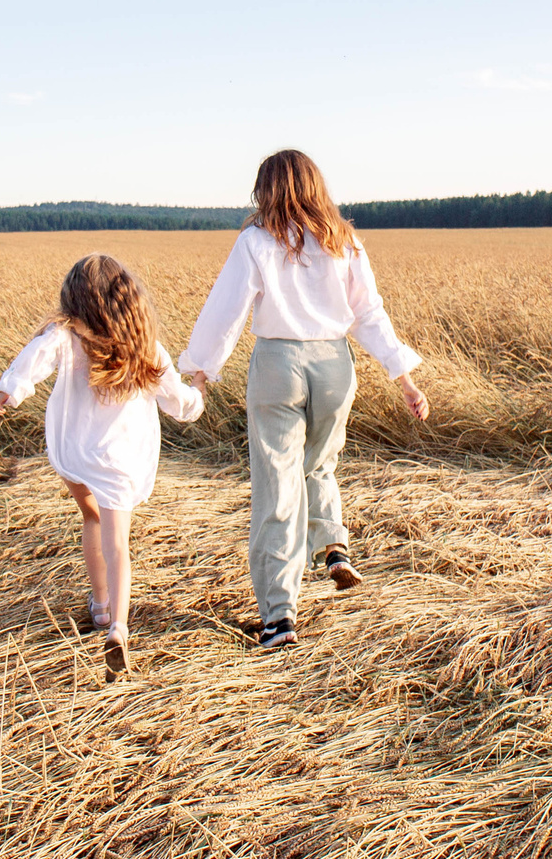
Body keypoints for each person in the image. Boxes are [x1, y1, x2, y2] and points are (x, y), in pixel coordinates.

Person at [180, 149, 428, 650]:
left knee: (276, 484)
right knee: (319, 462)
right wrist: (403, 376)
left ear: (264, 190)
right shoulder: (344, 240)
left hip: (277, 366)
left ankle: (279, 616)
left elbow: (226, 312)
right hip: (335, 366)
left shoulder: (255, 240)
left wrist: (200, 373)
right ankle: (333, 545)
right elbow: (369, 314)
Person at [0, 254, 205, 675]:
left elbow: (30, 362)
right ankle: (119, 628)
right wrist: (198, 391)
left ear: (74, 299)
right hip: (120, 462)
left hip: (75, 451)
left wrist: (7, 392)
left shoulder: (64, 336)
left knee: (90, 516)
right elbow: (180, 405)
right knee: (118, 543)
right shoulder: (146, 348)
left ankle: (101, 606)